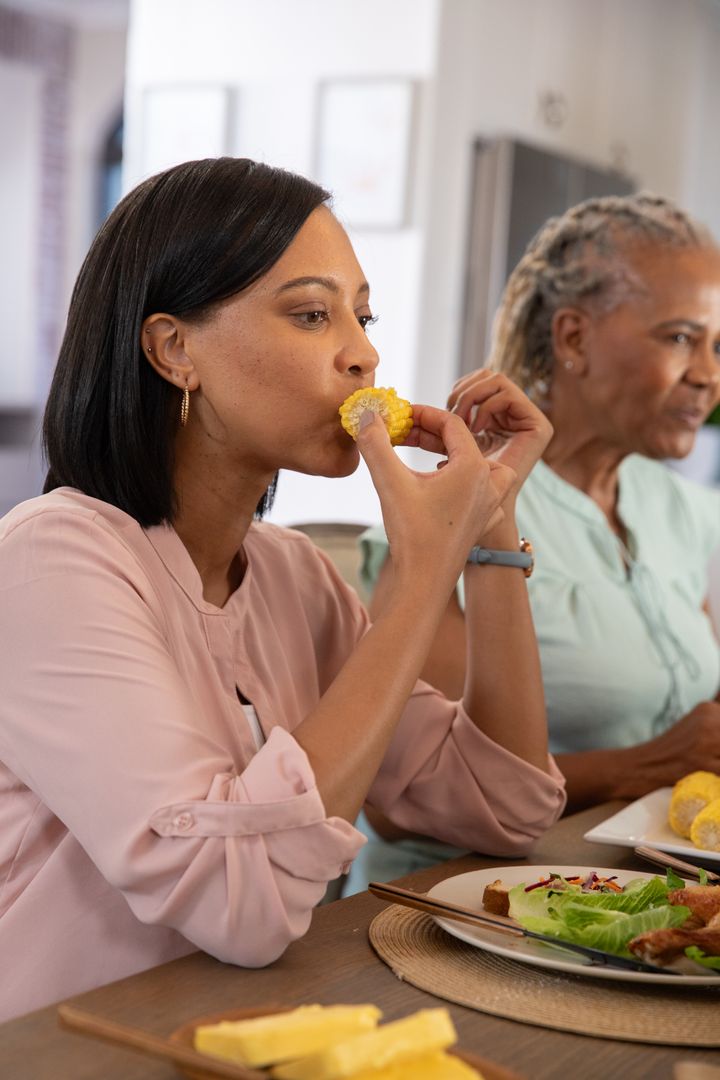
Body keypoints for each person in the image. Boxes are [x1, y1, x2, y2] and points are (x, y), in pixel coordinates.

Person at [0, 157, 565, 1021]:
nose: (365, 353)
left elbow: (503, 808)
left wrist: (488, 528)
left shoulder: (292, 575)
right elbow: (243, 902)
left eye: (362, 315)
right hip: (73, 1048)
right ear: (173, 349)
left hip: (250, 1031)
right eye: (311, 314)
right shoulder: (52, 562)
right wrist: (419, 575)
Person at [350, 193, 720, 894]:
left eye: (716, 345)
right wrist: (644, 765)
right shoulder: (447, 515)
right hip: (455, 903)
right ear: (574, 339)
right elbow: (401, 802)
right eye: (679, 338)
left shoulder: (679, 510)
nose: (708, 373)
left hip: (638, 887)